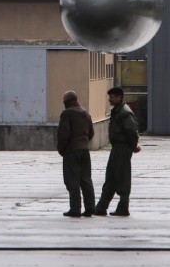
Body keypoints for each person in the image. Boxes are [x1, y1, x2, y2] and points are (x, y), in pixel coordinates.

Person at [94, 86, 141, 216]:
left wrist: (133, 146)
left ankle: (123, 207)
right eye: (110, 97)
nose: (110, 99)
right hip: (117, 148)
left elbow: (131, 131)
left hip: (122, 148)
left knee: (122, 177)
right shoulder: (118, 111)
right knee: (111, 177)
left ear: (119, 97)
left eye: (112, 97)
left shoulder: (124, 112)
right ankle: (101, 207)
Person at [57, 90, 95, 217]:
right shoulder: (85, 112)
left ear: (67, 102)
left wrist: (61, 149)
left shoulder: (67, 114)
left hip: (71, 151)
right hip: (84, 150)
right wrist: (84, 142)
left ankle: (75, 208)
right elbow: (91, 133)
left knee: (72, 180)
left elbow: (64, 134)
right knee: (86, 180)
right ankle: (90, 207)